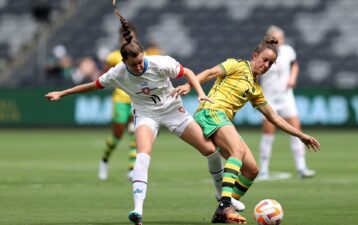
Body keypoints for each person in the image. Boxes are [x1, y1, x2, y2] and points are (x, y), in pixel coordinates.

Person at [45, 9, 243, 225]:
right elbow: (92, 85)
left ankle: (220, 195)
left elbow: (187, 72)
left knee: (211, 151)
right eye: (133, 64)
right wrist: (62, 93)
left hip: (172, 110)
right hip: (146, 114)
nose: (138, 66)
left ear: (143, 55)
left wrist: (201, 94)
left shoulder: (160, 62)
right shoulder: (118, 72)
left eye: (140, 61)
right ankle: (137, 211)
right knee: (142, 154)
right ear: (124, 62)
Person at [173, 35, 320, 224]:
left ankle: (222, 213)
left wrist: (301, 135)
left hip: (222, 119)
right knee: (238, 151)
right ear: (255, 55)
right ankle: (225, 205)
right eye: (265, 60)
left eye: (271, 63)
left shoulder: (255, 88)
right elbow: (210, 73)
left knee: (252, 169)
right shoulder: (236, 65)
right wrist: (188, 85)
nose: (266, 65)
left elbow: (273, 117)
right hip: (211, 111)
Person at [258, 25, 315, 180]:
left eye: (280, 38)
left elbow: (294, 64)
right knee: (268, 133)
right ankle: (263, 169)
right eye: (275, 38)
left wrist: (292, 78)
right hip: (268, 97)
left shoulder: (288, 51)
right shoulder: (265, 53)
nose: (278, 41)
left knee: (296, 130)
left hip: (286, 97)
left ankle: (301, 167)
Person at [98, 24, 139, 181]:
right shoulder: (114, 56)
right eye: (126, 37)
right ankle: (104, 160)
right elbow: (104, 75)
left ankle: (131, 169)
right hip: (120, 100)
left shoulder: (142, 55)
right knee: (117, 135)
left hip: (137, 100)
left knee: (135, 133)